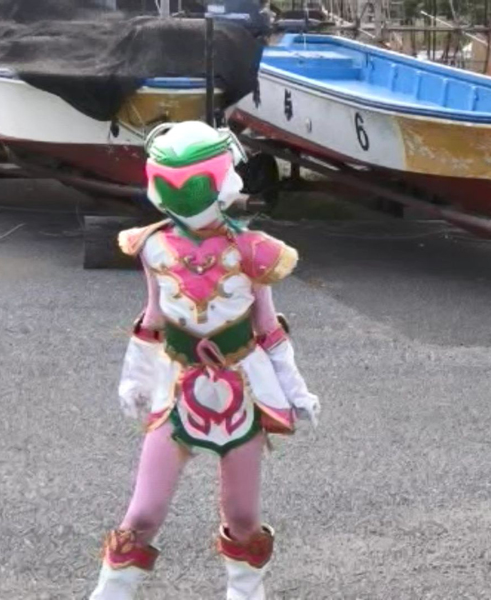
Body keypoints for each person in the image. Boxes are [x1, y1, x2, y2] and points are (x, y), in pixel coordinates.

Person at [89, 120, 320, 600]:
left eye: (192, 184)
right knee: (143, 513)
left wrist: (295, 389)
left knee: (242, 518)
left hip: (241, 391)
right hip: (176, 389)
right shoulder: (153, 245)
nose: (184, 196)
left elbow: (268, 326)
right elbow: (153, 318)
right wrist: (135, 378)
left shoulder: (254, 250)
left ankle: (245, 594)